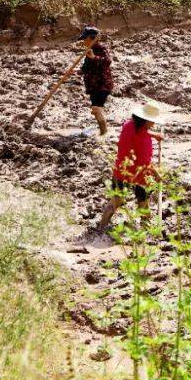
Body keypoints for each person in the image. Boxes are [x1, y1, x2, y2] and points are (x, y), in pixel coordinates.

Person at [97, 101, 165, 233]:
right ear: (145, 120)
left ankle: (100, 230)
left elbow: (140, 132)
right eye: (152, 121)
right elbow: (144, 163)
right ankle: (147, 231)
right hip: (138, 174)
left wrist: (153, 134)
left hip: (121, 171)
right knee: (142, 203)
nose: (154, 124)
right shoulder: (143, 141)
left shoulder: (128, 125)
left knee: (114, 203)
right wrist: (156, 174)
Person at [78, 26, 113, 136]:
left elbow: (107, 62)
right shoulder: (89, 51)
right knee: (96, 110)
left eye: (85, 39)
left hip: (102, 84)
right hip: (93, 86)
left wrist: (94, 57)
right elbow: (86, 67)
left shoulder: (101, 49)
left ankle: (104, 133)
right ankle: (103, 131)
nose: (83, 41)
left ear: (92, 38)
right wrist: (78, 70)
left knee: (96, 108)